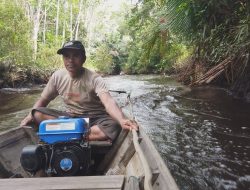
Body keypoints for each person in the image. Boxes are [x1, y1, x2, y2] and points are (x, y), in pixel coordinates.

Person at [20, 40, 138, 141]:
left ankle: (65, 135)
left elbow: (108, 102)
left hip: (95, 119)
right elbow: (43, 100)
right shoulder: (57, 76)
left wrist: (122, 120)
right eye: (66, 56)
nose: (70, 60)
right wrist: (29, 115)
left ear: (84, 59)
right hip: (70, 119)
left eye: (75, 55)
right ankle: (79, 135)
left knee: (113, 126)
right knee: (37, 113)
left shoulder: (94, 79)